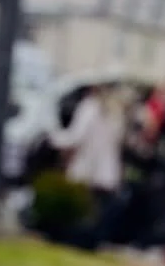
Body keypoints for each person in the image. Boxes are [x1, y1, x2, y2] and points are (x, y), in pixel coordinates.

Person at [53, 84, 124, 245]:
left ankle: (77, 239)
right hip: (105, 171)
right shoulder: (114, 111)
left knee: (82, 210)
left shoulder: (89, 108)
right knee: (97, 212)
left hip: (87, 167)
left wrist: (55, 139)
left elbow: (76, 136)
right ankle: (91, 241)